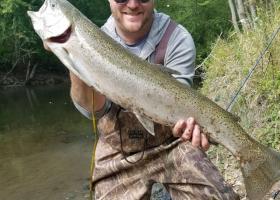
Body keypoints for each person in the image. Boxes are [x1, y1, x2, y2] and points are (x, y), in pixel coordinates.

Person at [66, 0, 239, 199]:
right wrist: (73, 53)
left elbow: (182, 106)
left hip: (172, 144)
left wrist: (194, 127)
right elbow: (93, 111)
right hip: (118, 150)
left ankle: (253, 159)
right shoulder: (91, 39)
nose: (132, 4)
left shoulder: (176, 38)